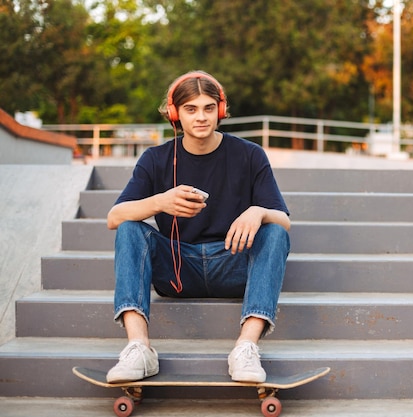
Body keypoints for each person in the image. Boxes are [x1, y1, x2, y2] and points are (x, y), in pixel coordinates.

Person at [105, 70, 291, 384]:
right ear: (176, 114)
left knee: (274, 231)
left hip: (232, 264)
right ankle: (139, 348)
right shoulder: (155, 158)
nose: (201, 117)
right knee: (129, 227)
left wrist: (258, 212)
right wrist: (159, 202)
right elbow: (114, 217)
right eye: (191, 109)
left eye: (208, 108)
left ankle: (245, 348)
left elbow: (284, 220)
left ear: (220, 110)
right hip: (177, 269)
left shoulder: (249, 155)